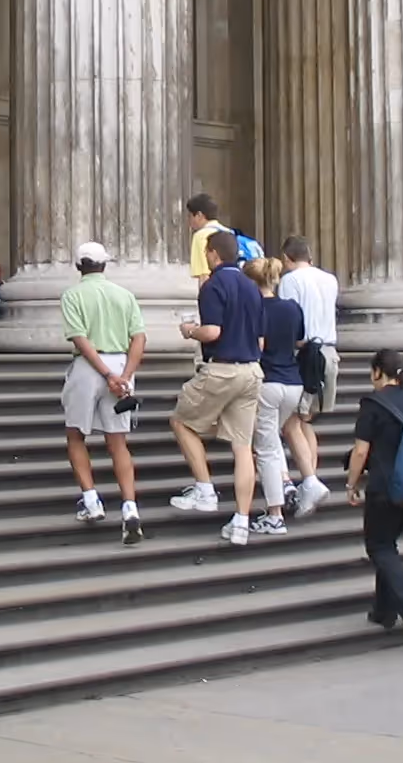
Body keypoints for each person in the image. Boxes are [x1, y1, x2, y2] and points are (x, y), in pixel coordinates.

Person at [167, 230, 265, 545]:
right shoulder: (253, 286)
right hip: (252, 370)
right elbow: (261, 339)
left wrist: (189, 331)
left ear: (213, 254)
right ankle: (241, 521)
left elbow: (212, 331)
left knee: (181, 422)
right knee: (242, 447)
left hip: (222, 368)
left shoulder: (213, 285)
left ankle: (205, 489)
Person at [58, 241, 147, 545]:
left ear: (78, 266)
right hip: (121, 364)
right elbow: (139, 337)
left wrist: (106, 374)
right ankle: (130, 509)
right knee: (118, 443)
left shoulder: (72, 295)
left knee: (76, 435)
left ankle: (91, 500)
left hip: (88, 367)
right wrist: (124, 375)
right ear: (105, 265)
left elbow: (80, 339)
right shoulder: (124, 295)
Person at [342, 349, 403, 642]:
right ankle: (384, 610)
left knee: (378, 546)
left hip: (384, 486)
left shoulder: (372, 404)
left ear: (378, 372)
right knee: (387, 544)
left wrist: (351, 484)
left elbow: (360, 450)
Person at [243, 257, 311, 534]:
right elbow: (299, 340)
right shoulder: (291, 308)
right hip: (293, 381)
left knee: (266, 448)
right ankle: (285, 484)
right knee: (271, 441)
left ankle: (275, 513)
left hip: (267, 381)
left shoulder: (253, 309)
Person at [279, 234, 340, 469]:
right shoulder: (330, 279)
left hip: (303, 353)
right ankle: (312, 473)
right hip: (327, 351)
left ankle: (310, 478)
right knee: (305, 419)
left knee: (294, 421)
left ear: (287, 258)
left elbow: (288, 317)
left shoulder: (291, 280)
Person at [184, 194, 226, 285]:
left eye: (190, 216)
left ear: (199, 215)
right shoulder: (229, 233)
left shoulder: (200, 236)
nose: (189, 221)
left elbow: (204, 275)